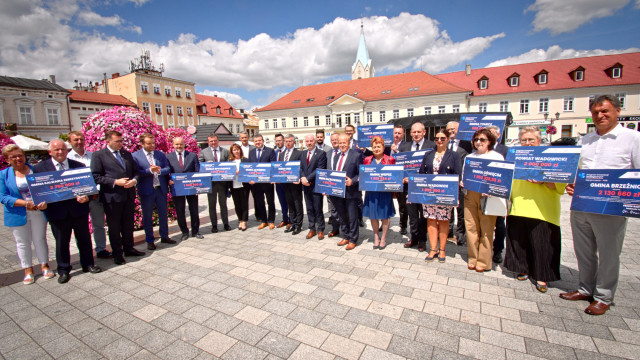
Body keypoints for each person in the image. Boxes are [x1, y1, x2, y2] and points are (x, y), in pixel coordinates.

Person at [561, 95, 640, 315]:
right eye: (595, 112)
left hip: (611, 207)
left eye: (604, 111)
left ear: (617, 111)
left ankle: (604, 296)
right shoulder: (585, 140)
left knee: (608, 253)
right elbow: (576, 170)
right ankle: (585, 288)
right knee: (583, 250)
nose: (599, 116)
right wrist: (572, 185)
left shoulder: (633, 138)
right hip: (582, 205)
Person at [504, 127, 566, 293]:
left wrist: (543, 181)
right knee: (519, 241)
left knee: (543, 244)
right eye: (524, 140)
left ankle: (542, 275)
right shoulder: (515, 157)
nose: (527, 143)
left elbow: (561, 184)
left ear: (539, 141)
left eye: (531, 140)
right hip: (518, 205)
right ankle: (523, 269)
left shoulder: (551, 158)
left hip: (542, 208)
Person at [34, 140, 101, 283]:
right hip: (57, 212)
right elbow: (38, 191)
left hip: (78, 210)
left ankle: (88, 264)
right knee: (61, 243)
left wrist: (87, 197)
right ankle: (63, 270)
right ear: (49, 152)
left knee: (84, 239)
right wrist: (40, 203)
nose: (60, 152)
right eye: (57, 150)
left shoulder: (79, 166)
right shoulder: (40, 168)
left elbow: (89, 188)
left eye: (63, 149)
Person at [0, 144, 53, 284]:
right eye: (14, 157)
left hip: (37, 211)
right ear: (7, 159)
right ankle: (28, 269)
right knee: (22, 243)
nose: (18, 158)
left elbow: (47, 189)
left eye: (20, 155)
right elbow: (3, 196)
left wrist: (45, 201)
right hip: (18, 212)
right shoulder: (3, 175)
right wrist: (25, 204)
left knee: (40, 239)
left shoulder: (36, 170)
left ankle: (45, 265)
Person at [91, 130, 145, 265]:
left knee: (128, 225)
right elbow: (96, 176)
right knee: (114, 227)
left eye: (121, 141)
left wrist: (134, 181)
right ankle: (117, 253)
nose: (121, 143)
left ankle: (129, 248)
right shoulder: (99, 155)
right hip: (112, 197)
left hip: (128, 195)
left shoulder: (126, 154)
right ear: (108, 141)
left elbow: (136, 172)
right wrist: (115, 182)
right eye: (117, 141)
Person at [462, 128, 503, 272]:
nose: (479, 142)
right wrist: (462, 182)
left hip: (488, 196)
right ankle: (473, 258)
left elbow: (501, 179)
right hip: (470, 194)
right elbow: (464, 175)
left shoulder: (497, 157)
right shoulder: (469, 157)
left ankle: (484, 261)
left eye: (482, 140)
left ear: (490, 141)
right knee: (471, 227)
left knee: (487, 229)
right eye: (476, 139)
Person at [419, 129, 461, 262]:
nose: (439, 141)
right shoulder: (428, 154)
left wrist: (456, 197)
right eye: (437, 138)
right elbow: (421, 174)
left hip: (445, 194)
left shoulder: (454, 156)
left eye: (443, 138)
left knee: (443, 220)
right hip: (429, 194)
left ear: (448, 139)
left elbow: (457, 177)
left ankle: (442, 250)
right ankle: (432, 249)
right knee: (431, 219)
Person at [68, 131, 110, 258]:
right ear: (70, 142)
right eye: (75, 140)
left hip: (95, 196)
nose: (79, 142)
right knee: (80, 228)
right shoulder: (67, 158)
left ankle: (101, 249)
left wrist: (95, 192)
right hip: (77, 199)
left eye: (81, 139)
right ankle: (84, 253)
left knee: (99, 224)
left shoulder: (94, 156)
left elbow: (99, 175)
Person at [133, 133, 175, 250]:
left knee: (163, 214)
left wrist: (160, 171)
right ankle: (150, 240)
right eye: (149, 143)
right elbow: (136, 173)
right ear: (142, 144)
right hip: (147, 190)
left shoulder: (160, 154)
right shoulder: (136, 156)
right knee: (147, 216)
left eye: (153, 143)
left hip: (160, 189)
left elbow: (168, 168)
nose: (152, 145)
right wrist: (149, 171)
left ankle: (164, 236)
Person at [399, 122, 436, 252]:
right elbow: (400, 167)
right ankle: (413, 237)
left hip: (424, 187)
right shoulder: (405, 147)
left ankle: (422, 240)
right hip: (409, 187)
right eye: (414, 132)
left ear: (424, 132)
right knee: (412, 214)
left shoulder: (432, 146)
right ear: (410, 133)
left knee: (423, 215)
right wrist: (402, 177)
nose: (416, 134)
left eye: (418, 132)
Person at [362, 136, 396, 249]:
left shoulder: (390, 159)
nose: (376, 148)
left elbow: (395, 175)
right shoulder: (367, 160)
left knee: (385, 215)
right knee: (373, 216)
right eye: (374, 147)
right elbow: (364, 175)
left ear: (383, 147)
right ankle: (376, 236)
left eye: (379, 146)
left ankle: (384, 238)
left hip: (384, 192)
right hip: (371, 192)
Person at [166, 137, 203, 240]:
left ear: (184, 144)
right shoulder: (168, 157)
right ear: (173, 145)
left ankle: (195, 231)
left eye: (181, 144)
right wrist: (168, 180)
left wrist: (198, 188)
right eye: (177, 144)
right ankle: (184, 232)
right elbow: (167, 172)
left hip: (191, 187)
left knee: (194, 210)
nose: (179, 146)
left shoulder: (192, 156)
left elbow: (197, 171)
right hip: (177, 188)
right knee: (180, 211)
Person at [330, 134, 361, 250]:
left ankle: (353, 239)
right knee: (342, 215)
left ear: (349, 143)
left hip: (351, 192)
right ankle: (346, 235)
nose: (342, 145)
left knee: (352, 217)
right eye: (340, 143)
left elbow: (361, 174)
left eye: (344, 143)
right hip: (337, 192)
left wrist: (352, 181)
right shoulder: (336, 156)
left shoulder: (356, 155)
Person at [198, 134, 231, 233]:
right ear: (208, 142)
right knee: (212, 205)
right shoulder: (203, 152)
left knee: (223, 204)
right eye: (211, 141)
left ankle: (226, 223)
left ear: (218, 140)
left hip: (222, 183)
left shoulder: (225, 151)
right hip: (210, 183)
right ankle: (214, 225)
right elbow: (199, 166)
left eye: (215, 141)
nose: (213, 143)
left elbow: (229, 165)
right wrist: (205, 165)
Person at [486, 125, 508, 264]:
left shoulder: (505, 150)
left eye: (493, 134)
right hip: (481, 193)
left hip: (498, 192)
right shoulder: (479, 150)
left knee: (499, 224)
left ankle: (498, 250)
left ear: (499, 135)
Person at [445, 121, 468, 246]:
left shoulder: (467, 145)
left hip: (460, 184)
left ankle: (460, 234)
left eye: (453, 129)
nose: (451, 131)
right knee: (448, 208)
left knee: (461, 211)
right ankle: (448, 231)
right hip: (447, 183)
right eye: (448, 130)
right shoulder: (444, 143)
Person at [300, 134, 327, 239]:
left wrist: (308, 179)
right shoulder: (303, 154)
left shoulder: (321, 153)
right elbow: (301, 168)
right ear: (305, 142)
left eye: (311, 141)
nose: (309, 143)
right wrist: (303, 178)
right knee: (309, 208)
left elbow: (320, 169)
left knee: (317, 208)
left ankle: (321, 229)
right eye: (307, 141)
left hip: (316, 186)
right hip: (305, 186)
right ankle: (312, 228)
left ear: (315, 141)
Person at [248, 134, 277, 229]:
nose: (258, 142)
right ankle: (264, 220)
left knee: (270, 202)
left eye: (259, 140)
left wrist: (273, 178)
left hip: (268, 182)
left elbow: (273, 165)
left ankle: (271, 220)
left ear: (263, 141)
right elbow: (250, 167)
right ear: (253, 142)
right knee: (259, 202)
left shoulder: (270, 151)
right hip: (256, 183)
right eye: (256, 141)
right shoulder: (251, 152)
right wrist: (250, 178)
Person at [280, 134, 304, 235]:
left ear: (294, 142)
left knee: (297, 204)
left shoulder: (299, 153)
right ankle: (292, 223)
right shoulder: (281, 154)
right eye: (286, 141)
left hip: (295, 183)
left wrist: (299, 178)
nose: (288, 143)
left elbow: (302, 168)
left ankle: (298, 225)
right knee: (290, 204)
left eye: (290, 141)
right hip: (285, 184)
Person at [389, 124, 408, 235]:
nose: (396, 135)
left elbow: (407, 161)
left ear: (403, 135)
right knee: (387, 201)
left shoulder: (406, 146)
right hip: (388, 178)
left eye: (399, 133)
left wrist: (397, 152)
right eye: (395, 133)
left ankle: (403, 225)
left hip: (400, 179)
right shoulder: (387, 145)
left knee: (402, 205)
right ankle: (384, 222)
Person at [228, 144, 249, 231]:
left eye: (237, 149)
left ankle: (244, 221)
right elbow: (226, 173)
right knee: (237, 204)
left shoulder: (245, 160)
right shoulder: (229, 162)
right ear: (231, 152)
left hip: (243, 185)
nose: (236, 151)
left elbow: (249, 171)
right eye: (234, 150)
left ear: (240, 150)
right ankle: (240, 219)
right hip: (233, 185)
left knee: (244, 203)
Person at [272, 133, 290, 229]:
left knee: (289, 201)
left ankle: (291, 220)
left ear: (283, 141)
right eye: (276, 141)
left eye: (280, 140)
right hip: (278, 183)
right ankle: (284, 219)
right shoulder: (274, 153)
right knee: (282, 201)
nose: (278, 142)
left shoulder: (288, 152)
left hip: (288, 182)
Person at [325, 133, 341, 237]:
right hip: (331, 185)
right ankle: (335, 229)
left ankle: (346, 230)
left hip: (342, 186)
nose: (334, 141)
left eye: (336, 140)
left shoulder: (345, 153)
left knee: (343, 209)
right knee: (333, 209)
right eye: (333, 140)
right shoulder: (328, 153)